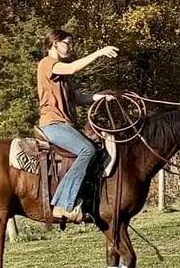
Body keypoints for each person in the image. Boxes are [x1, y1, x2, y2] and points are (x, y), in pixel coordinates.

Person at [37, 28, 119, 222]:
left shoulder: (62, 73)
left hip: (65, 125)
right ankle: (63, 204)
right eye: (68, 43)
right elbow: (72, 68)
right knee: (87, 150)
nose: (71, 47)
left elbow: (78, 98)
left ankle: (89, 200)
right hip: (53, 124)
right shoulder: (47, 63)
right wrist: (99, 52)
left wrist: (99, 97)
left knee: (96, 148)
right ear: (55, 43)